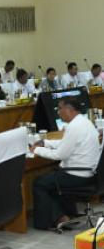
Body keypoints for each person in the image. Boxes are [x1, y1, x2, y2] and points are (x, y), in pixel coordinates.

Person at [31, 97, 100, 230]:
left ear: (69, 109)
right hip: (90, 174)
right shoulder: (84, 122)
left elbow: (59, 155)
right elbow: (67, 144)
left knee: (39, 183)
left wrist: (36, 150)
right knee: (50, 179)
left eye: (60, 108)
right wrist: (45, 143)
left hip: (77, 175)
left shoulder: (74, 127)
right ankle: (66, 214)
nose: (58, 112)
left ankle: (55, 220)